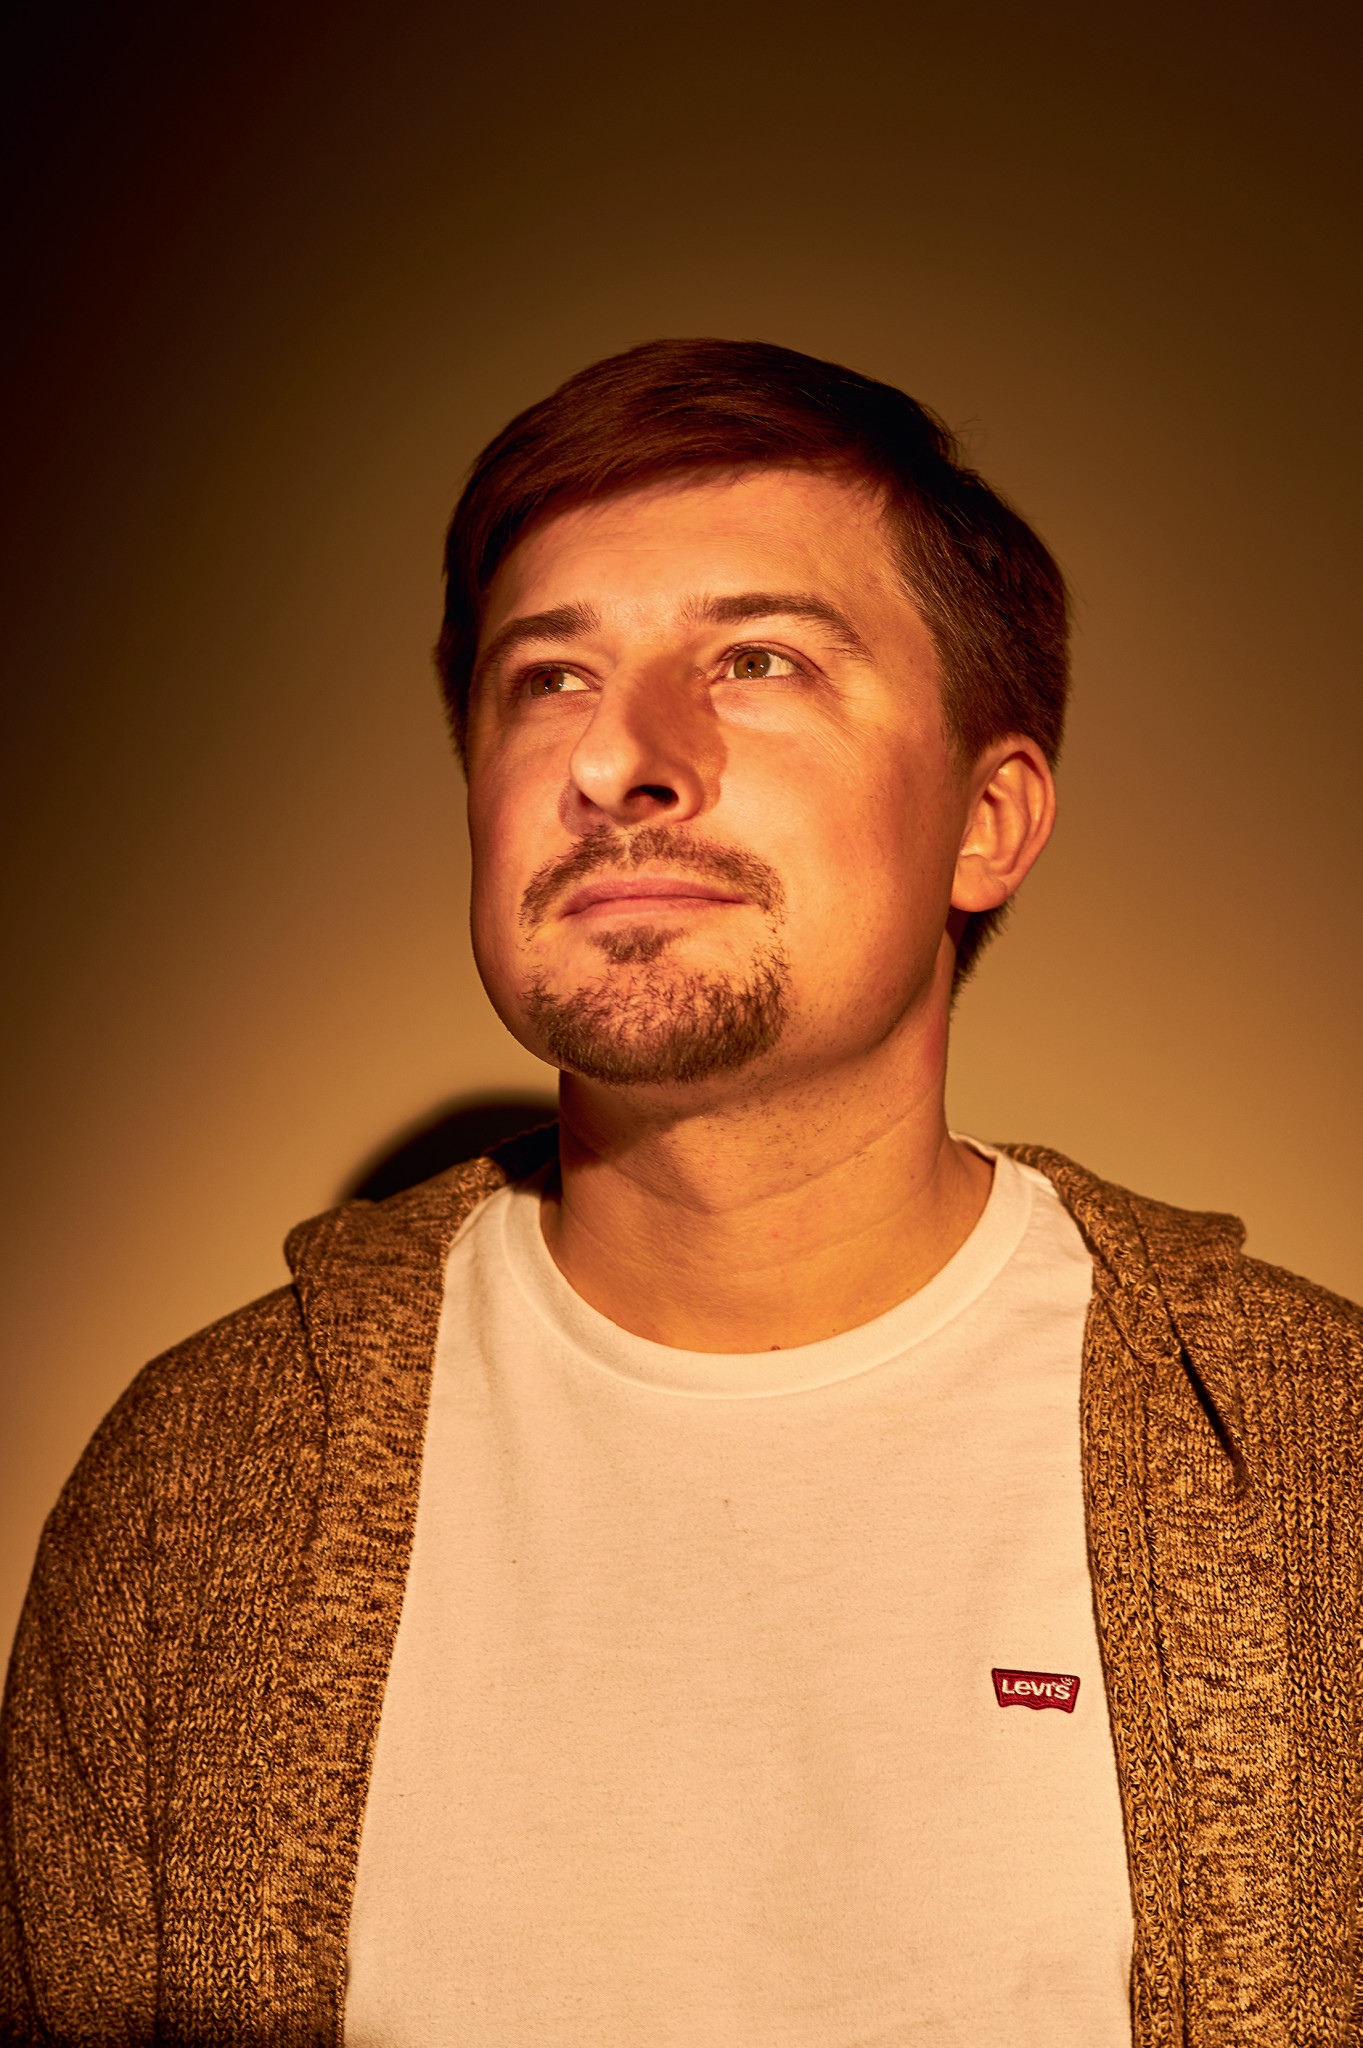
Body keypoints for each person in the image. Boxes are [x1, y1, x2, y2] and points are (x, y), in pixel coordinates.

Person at [2, 339, 1359, 2048]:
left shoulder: (1314, 1460)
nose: (619, 759)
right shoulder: (191, 1490)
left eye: (758, 659)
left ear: (989, 820)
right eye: (549, 677)